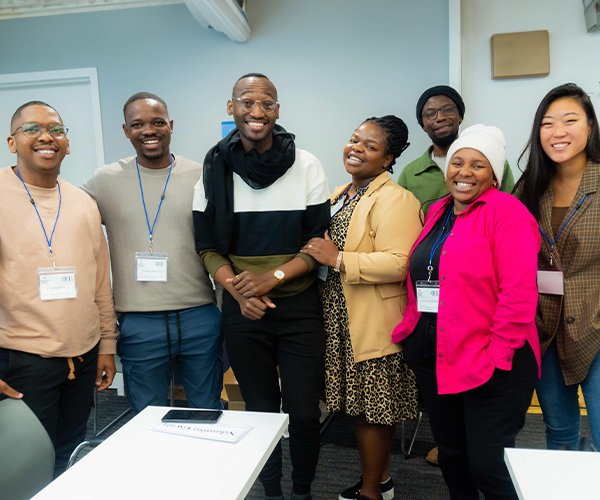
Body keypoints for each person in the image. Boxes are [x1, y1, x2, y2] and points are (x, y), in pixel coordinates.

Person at [193, 73, 330, 500]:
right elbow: (206, 247)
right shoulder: (213, 167)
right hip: (243, 310)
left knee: (305, 413)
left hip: (298, 309)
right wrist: (238, 292)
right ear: (230, 106)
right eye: (247, 102)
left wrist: (271, 278)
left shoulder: (307, 164)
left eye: (267, 103)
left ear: (277, 109)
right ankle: (272, 491)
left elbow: (317, 247)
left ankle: (302, 490)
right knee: (260, 412)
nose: (257, 112)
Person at [392, 124, 541, 500]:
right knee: (453, 455)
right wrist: (411, 332)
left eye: (478, 165)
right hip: (437, 354)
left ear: (494, 174)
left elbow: (518, 293)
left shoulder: (510, 214)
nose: (464, 172)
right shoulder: (437, 211)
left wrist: (497, 355)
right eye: (457, 162)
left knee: (487, 464)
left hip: (493, 360)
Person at [302, 116, 421, 500]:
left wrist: (338, 259)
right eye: (354, 140)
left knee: (371, 410)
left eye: (370, 146)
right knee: (356, 407)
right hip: (339, 316)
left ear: (388, 159)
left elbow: (401, 262)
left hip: (371, 319)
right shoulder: (339, 195)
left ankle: (372, 491)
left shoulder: (397, 199)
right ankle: (381, 481)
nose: (356, 149)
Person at [82, 92, 222, 413]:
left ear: (170, 126)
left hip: (198, 314)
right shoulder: (104, 181)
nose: (149, 130)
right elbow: (62, 214)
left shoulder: (204, 175)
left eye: (158, 122)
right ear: (126, 130)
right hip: (139, 321)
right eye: (138, 124)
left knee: (207, 410)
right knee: (147, 416)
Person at [0, 101, 117, 476]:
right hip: (21, 359)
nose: (46, 136)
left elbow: (100, 281)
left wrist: (107, 346)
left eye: (57, 130)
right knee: (22, 465)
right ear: (11, 142)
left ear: (68, 144)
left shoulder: (84, 202)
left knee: (67, 455)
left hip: (82, 358)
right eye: (32, 129)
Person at [514, 83, 600, 451]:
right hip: (542, 328)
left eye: (570, 120)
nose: (558, 132)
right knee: (559, 432)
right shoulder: (529, 188)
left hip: (596, 325)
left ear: (591, 126)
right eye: (548, 123)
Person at [398, 85, 515, 215]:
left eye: (447, 110)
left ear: (460, 116)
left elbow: (512, 211)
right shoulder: (410, 174)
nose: (440, 117)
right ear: (423, 125)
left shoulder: (493, 163)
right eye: (430, 114)